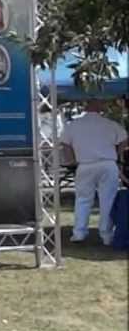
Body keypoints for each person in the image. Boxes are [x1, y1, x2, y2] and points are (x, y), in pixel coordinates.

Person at [60, 99, 129, 246]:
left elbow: (65, 143)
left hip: (85, 164)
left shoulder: (73, 125)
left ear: (86, 107)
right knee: (108, 200)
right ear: (100, 108)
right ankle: (106, 235)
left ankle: (79, 233)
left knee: (83, 199)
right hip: (108, 163)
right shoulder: (110, 124)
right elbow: (124, 139)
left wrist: (71, 159)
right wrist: (118, 153)